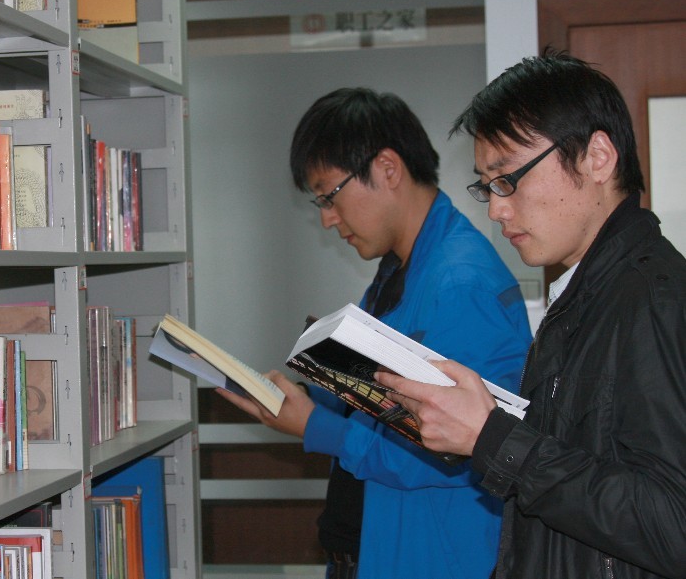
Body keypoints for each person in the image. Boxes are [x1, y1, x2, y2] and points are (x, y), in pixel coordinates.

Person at [376, 51, 686, 578]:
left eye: (509, 178)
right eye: (487, 186)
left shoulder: (652, 298)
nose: (497, 209)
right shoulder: (585, 294)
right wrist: (473, 424)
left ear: (597, 158)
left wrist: (493, 439)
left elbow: (672, 524)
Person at [219, 87, 532, 579]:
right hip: (373, 546)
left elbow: (457, 451)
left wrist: (314, 427)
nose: (326, 218)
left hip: (434, 557)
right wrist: (303, 398)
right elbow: (375, 398)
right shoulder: (399, 271)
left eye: (329, 195)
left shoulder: (461, 282)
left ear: (387, 168)